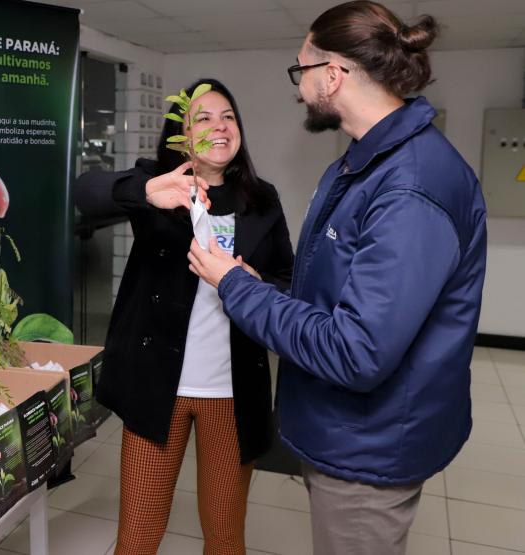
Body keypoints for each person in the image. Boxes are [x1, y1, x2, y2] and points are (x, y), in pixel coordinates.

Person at [187, 2, 487, 554]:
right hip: (347, 432)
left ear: (332, 74)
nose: (297, 85)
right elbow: (339, 296)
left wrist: (235, 286)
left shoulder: (407, 185)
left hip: (368, 449)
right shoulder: (366, 162)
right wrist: (261, 284)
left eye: (299, 69)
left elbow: (356, 350)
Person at [85, 79, 294, 555]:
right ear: (180, 135)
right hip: (157, 388)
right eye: (203, 118)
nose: (219, 127)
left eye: (228, 117)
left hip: (231, 391)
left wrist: (257, 282)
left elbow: (289, 279)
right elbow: (85, 193)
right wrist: (146, 190)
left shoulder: (262, 200)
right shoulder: (159, 186)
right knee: (137, 538)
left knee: (225, 538)